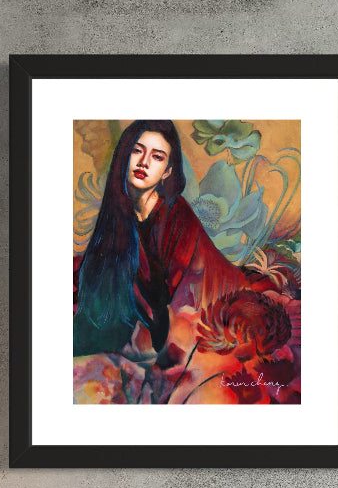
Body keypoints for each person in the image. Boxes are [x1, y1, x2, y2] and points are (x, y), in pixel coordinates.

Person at [74, 120, 261, 362]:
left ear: (167, 172)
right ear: (124, 156)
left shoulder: (177, 216)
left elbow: (182, 296)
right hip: (138, 323)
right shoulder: (117, 213)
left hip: (198, 312)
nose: (144, 162)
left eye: (158, 157)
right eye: (137, 150)